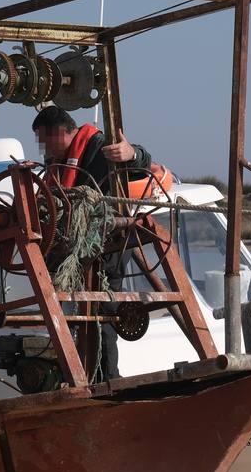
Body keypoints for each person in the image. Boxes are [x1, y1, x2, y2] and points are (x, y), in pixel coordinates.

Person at [30, 108, 165, 381]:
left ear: (61, 132)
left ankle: (107, 380)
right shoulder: (59, 162)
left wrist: (133, 153)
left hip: (109, 244)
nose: (43, 149)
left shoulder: (99, 147)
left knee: (102, 313)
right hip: (78, 250)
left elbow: (139, 162)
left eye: (45, 140)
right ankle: (84, 377)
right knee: (85, 314)